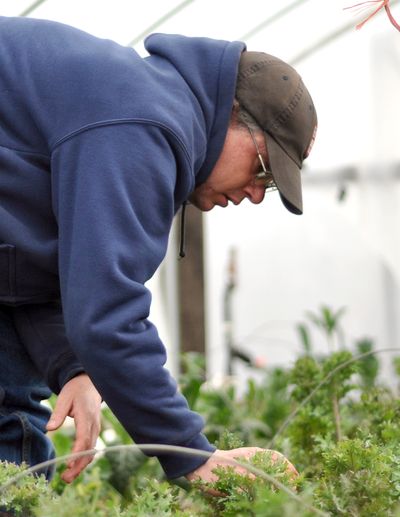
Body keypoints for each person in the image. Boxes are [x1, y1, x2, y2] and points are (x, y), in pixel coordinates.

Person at [0, 15, 317, 484]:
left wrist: (72, 366)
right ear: (232, 116)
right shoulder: (143, 124)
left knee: (14, 439)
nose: (254, 193)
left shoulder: (139, 108)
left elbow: (21, 269)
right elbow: (108, 314)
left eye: (267, 187)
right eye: (263, 169)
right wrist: (193, 457)